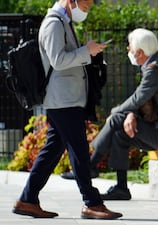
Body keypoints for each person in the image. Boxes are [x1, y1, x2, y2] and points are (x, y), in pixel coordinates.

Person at [12, 0, 122, 219]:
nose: (88, 9)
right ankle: (92, 203)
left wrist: (88, 52)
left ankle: (27, 199)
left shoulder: (63, 21)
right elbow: (58, 60)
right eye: (87, 4)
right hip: (62, 100)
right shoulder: (53, 23)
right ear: (71, 1)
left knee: (52, 150)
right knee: (79, 150)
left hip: (67, 99)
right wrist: (85, 51)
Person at [61, 28, 158, 201]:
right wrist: (130, 114)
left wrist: (116, 112)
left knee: (117, 119)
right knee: (120, 135)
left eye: (130, 48)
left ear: (140, 52)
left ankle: (90, 165)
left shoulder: (154, 69)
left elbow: (138, 98)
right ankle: (121, 188)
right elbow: (141, 98)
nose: (129, 51)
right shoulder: (156, 64)